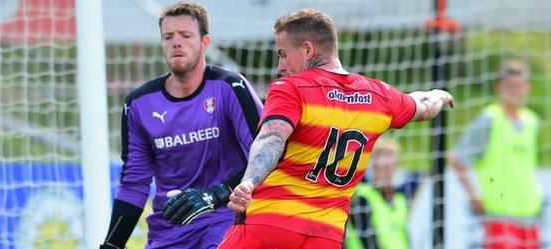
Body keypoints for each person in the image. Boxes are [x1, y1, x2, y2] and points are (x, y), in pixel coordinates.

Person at [218, 8, 454, 249]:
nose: (281, 65)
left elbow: (272, 137)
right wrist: (438, 95)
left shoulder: (292, 88)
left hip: (271, 224)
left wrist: (248, 182)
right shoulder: (378, 96)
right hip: (326, 236)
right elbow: (423, 105)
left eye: (283, 54)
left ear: (308, 49)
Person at [99, 2, 263, 249]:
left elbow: (265, 154)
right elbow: (134, 183)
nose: (176, 42)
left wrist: (216, 194)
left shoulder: (230, 87)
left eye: (185, 35)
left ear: (205, 42)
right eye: (168, 37)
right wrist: (112, 245)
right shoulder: (139, 104)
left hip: (225, 220)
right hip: (169, 231)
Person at [449, 58, 541, 249]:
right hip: (499, 214)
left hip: (531, 213)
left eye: (520, 85)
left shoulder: (531, 121)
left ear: (528, 87)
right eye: (511, 85)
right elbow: (457, 158)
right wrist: (475, 197)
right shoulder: (490, 118)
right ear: (500, 87)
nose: (516, 90)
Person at [345, 137, 412, 249]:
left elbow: (404, 237)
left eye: (388, 167)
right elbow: (368, 242)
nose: (385, 172)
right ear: (372, 168)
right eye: (380, 167)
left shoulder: (400, 198)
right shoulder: (361, 197)